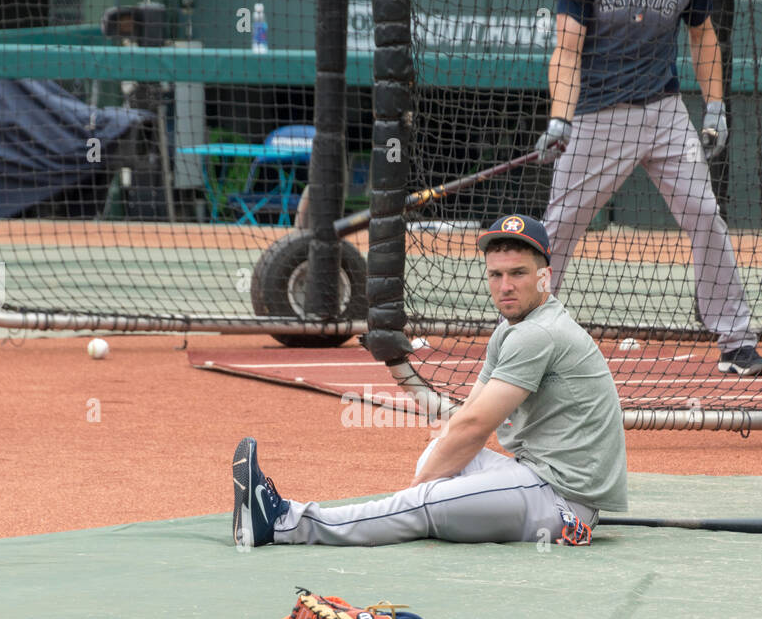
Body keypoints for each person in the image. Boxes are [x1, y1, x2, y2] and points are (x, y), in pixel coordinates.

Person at [232, 214, 628, 548]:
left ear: (545, 276)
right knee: (439, 451)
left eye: (519, 274)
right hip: (535, 477)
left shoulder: (537, 333)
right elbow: (466, 416)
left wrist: (416, 491)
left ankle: (286, 522)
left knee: (425, 500)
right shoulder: (513, 329)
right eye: (496, 274)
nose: (505, 286)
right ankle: (429, 504)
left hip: (562, 502)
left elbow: (475, 427)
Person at [535, 0, 762, 377]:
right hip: (598, 114)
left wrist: (715, 107)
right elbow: (567, 49)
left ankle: (737, 343)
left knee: (705, 214)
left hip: (664, 111)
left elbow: (703, 33)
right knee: (560, 226)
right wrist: (561, 118)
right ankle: (527, 333)